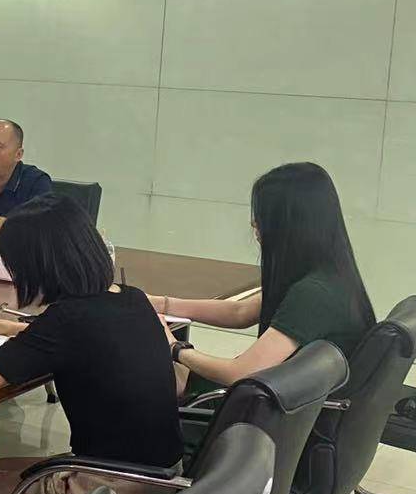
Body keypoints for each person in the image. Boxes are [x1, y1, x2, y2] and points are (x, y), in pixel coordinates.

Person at [0, 195, 181, 494]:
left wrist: (26, 336)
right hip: (162, 489)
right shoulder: (134, 300)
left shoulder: (66, 320)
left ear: (37, 267)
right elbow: (85, 336)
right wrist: (20, 330)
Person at [152, 162, 375, 404]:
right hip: (281, 401)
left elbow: (241, 373)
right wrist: (162, 304)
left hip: (260, 412)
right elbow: (239, 312)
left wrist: (175, 348)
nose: (254, 223)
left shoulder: (313, 295)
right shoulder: (330, 275)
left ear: (289, 224)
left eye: (262, 214)